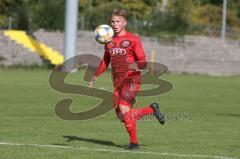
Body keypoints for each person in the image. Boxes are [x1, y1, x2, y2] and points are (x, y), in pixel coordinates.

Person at [88, 8, 165, 150]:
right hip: (117, 83)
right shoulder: (108, 41)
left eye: (118, 21)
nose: (115, 24)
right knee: (122, 117)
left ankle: (134, 144)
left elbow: (143, 61)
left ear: (125, 23)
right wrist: (95, 75)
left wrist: (137, 64)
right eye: (112, 21)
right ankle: (151, 109)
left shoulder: (133, 39)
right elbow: (105, 61)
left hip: (131, 79)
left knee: (124, 110)